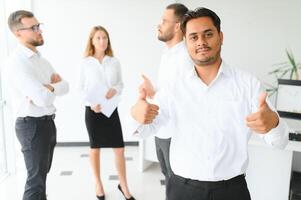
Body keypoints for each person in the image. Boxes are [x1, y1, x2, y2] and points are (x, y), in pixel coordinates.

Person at [131, 7, 289, 200]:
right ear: (186, 42)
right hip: (182, 190)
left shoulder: (248, 84)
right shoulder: (173, 86)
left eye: (208, 34)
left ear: (221, 37)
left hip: (231, 191)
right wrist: (137, 113)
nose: (201, 42)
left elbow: (280, 141)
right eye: (194, 37)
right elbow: (146, 129)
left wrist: (273, 123)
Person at [6, 10, 69, 200]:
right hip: (31, 125)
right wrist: (51, 88)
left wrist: (49, 87)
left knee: (41, 178)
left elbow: (65, 86)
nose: (39, 30)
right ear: (18, 33)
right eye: (33, 28)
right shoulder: (17, 63)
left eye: (39, 25)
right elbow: (43, 99)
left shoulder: (41, 60)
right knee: (35, 181)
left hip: (47, 123)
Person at [139, 3, 190, 198]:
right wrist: (153, 91)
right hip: (161, 129)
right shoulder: (168, 54)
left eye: (163, 21)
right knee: (168, 179)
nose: (158, 25)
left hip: (174, 133)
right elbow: (169, 92)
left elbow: (182, 98)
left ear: (178, 26)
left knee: (176, 183)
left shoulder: (185, 57)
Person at [78, 26, 135, 200]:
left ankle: (123, 185)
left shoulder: (114, 61)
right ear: (92, 41)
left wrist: (114, 90)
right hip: (93, 111)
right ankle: (98, 183)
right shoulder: (85, 62)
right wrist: (91, 103)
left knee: (119, 148)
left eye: (105, 38)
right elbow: (81, 88)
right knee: (95, 148)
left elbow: (121, 84)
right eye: (98, 38)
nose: (102, 41)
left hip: (111, 110)